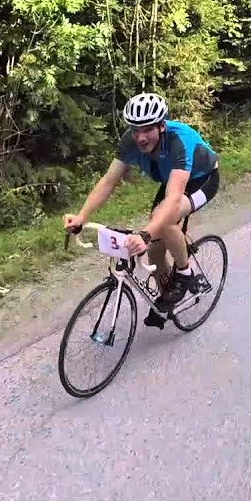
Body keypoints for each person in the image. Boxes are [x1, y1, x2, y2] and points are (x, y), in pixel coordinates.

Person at [63, 92, 220, 328]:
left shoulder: (179, 142)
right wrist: (82, 216)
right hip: (172, 179)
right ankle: (168, 295)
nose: (140, 137)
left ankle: (185, 272)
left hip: (202, 179)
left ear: (161, 126)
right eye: (135, 130)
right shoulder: (129, 142)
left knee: (164, 220)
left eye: (147, 129)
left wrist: (145, 233)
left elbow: (174, 198)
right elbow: (108, 181)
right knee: (155, 248)